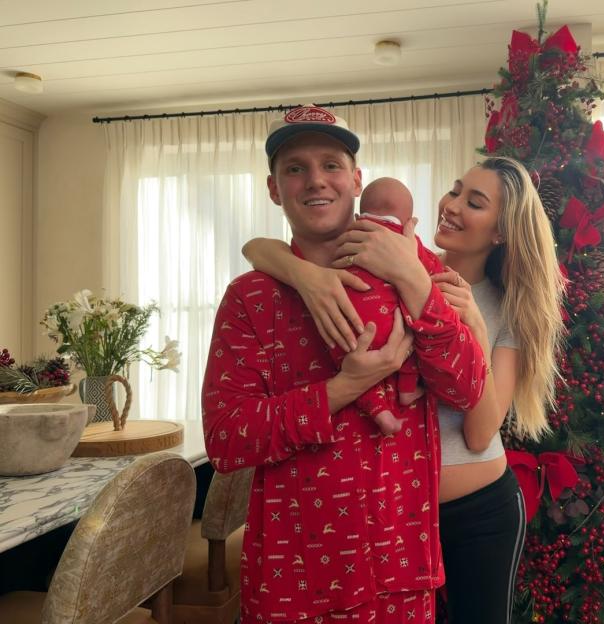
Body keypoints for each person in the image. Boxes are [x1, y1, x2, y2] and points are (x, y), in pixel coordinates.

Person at [243, 156, 566, 624]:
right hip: (395, 516)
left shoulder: (504, 308)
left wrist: (472, 329)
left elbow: (479, 434)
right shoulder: (394, 261)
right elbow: (265, 248)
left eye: (473, 202)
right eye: (455, 189)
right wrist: (300, 273)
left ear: (500, 232)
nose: (451, 205)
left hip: (479, 513)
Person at [202, 105, 488, 624]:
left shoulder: (416, 267)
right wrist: (345, 387)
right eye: (296, 168)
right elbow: (226, 440)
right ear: (274, 189)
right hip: (294, 587)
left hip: (400, 575)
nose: (316, 180)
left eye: (331, 165)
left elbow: (468, 389)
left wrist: (415, 282)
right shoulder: (252, 297)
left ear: (356, 180)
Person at [320, 176, 446, 435]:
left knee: (349, 361)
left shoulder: (349, 233)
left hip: (348, 320)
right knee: (411, 345)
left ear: (357, 215)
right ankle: (407, 392)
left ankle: (380, 412)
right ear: (409, 222)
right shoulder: (406, 241)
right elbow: (432, 271)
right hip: (393, 322)